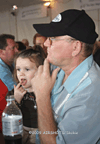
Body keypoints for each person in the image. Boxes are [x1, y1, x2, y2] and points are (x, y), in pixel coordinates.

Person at [32, 9, 100, 144]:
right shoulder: (57, 69)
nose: (46, 44)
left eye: (52, 39)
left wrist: (42, 96)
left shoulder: (91, 92)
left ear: (75, 47)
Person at [12, 49, 44, 144]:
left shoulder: (46, 90)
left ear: (39, 70)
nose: (21, 73)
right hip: (20, 130)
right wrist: (16, 99)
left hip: (39, 131)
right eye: (18, 69)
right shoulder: (13, 93)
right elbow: (9, 116)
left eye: (27, 69)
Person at [0, 34, 18, 132]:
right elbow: (15, 89)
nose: (16, 50)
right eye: (13, 48)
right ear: (1, 52)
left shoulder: (11, 63)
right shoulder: (1, 70)